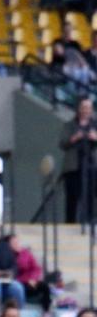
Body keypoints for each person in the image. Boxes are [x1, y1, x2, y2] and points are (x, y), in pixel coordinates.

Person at [62, 96, 97, 225]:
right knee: (72, 198)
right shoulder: (70, 125)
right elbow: (62, 143)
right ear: (78, 109)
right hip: (74, 167)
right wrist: (75, 138)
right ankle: (70, 223)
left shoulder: (95, 124)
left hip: (91, 166)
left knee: (90, 197)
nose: (86, 110)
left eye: (88, 107)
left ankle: (89, 222)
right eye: (83, 107)